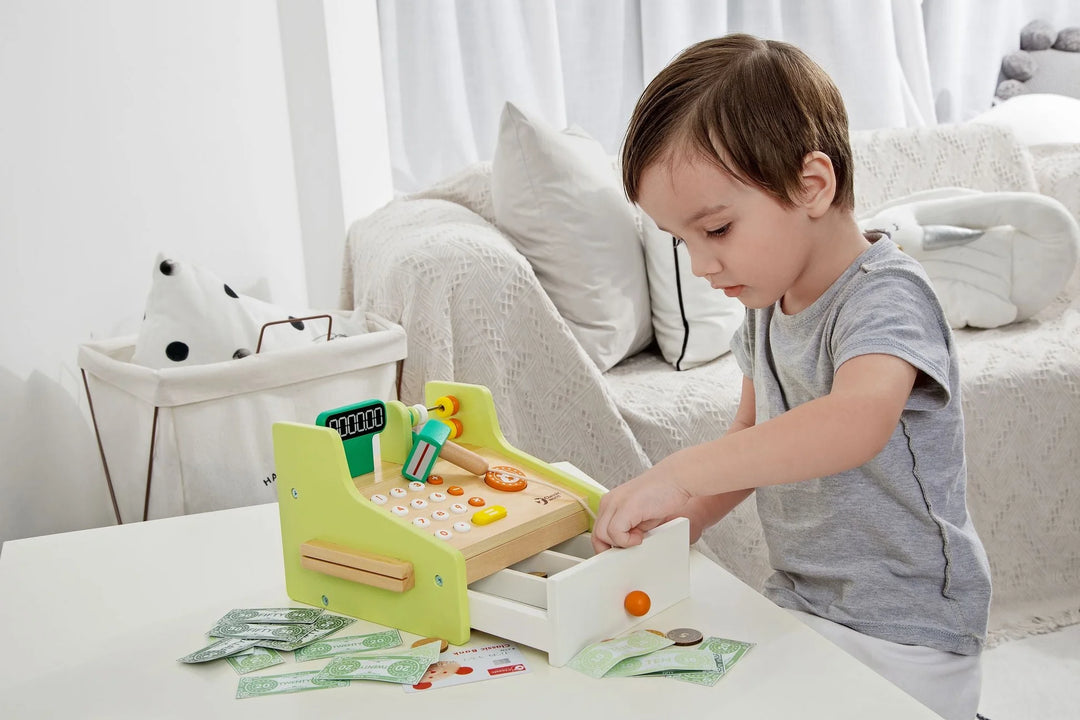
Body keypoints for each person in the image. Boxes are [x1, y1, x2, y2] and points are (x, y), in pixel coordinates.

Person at [591, 34, 991, 720]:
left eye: (715, 229)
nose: (701, 265)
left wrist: (682, 472)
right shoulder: (767, 302)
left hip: (907, 632)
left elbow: (855, 422)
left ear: (812, 185)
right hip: (806, 602)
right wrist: (670, 528)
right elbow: (753, 443)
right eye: (682, 241)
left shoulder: (886, 295)